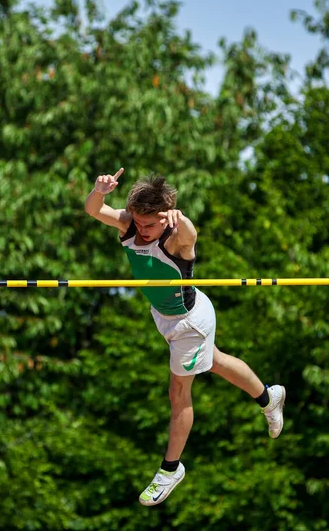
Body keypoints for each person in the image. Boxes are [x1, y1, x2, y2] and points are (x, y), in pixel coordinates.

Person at [85, 168, 286, 507]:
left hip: (188, 323)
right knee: (217, 361)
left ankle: (170, 469)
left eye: (151, 225)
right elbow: (94, 210)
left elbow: (191, 234)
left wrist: (183, 219)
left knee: (178, 392)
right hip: (169, 316)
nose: (143, 231)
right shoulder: (131, 223)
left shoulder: (178, 237)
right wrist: (99, 191)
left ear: (166, 217)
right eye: (139, 222)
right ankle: (268, 398)